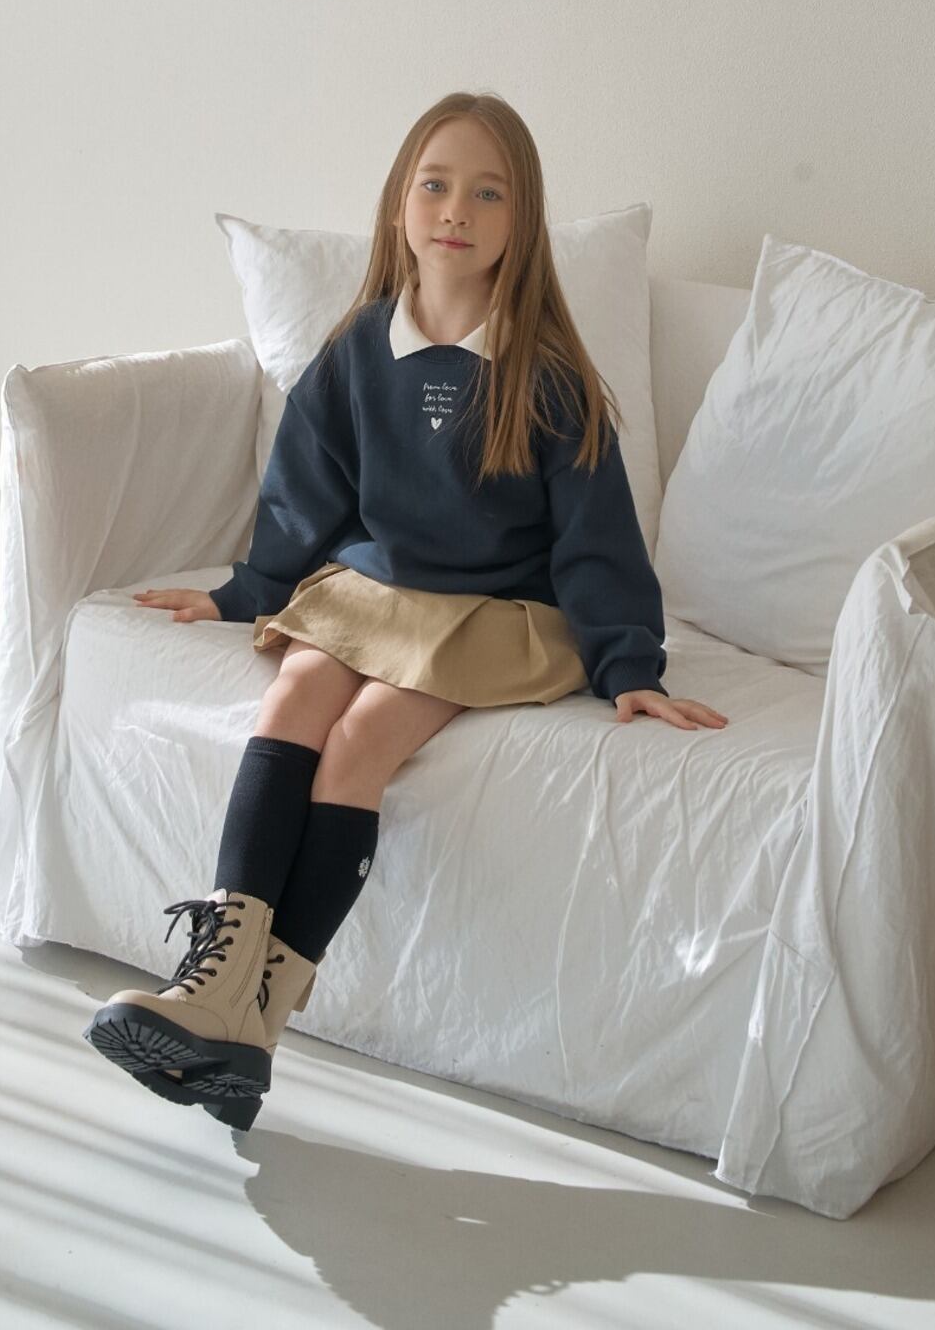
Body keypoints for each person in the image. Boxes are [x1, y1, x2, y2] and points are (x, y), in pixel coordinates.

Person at [84, 90, 728, 1129]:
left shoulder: (549, 375)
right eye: (435, 184)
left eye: (488, 192)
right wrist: (240, 594)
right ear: (399, 205)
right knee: (295, 694)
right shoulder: (356, 350)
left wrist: (629, 666)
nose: (456, 209)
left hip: (495, 611)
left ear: (522, 222)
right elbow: (303, 497)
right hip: (374, 588)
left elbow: (597, 539)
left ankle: (257, 1024)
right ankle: (217, 992)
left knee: (360, 743)